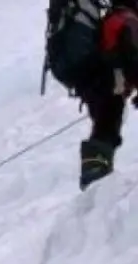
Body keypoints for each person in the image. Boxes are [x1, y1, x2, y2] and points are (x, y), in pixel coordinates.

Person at [44, 0, 138, 188]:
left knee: (106, 124)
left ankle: (95, 179)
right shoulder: (127, 21)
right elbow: (133, 56)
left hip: (91, 81)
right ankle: (97, 179)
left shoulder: (111, 19)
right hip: (103, 79)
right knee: (108, 122)